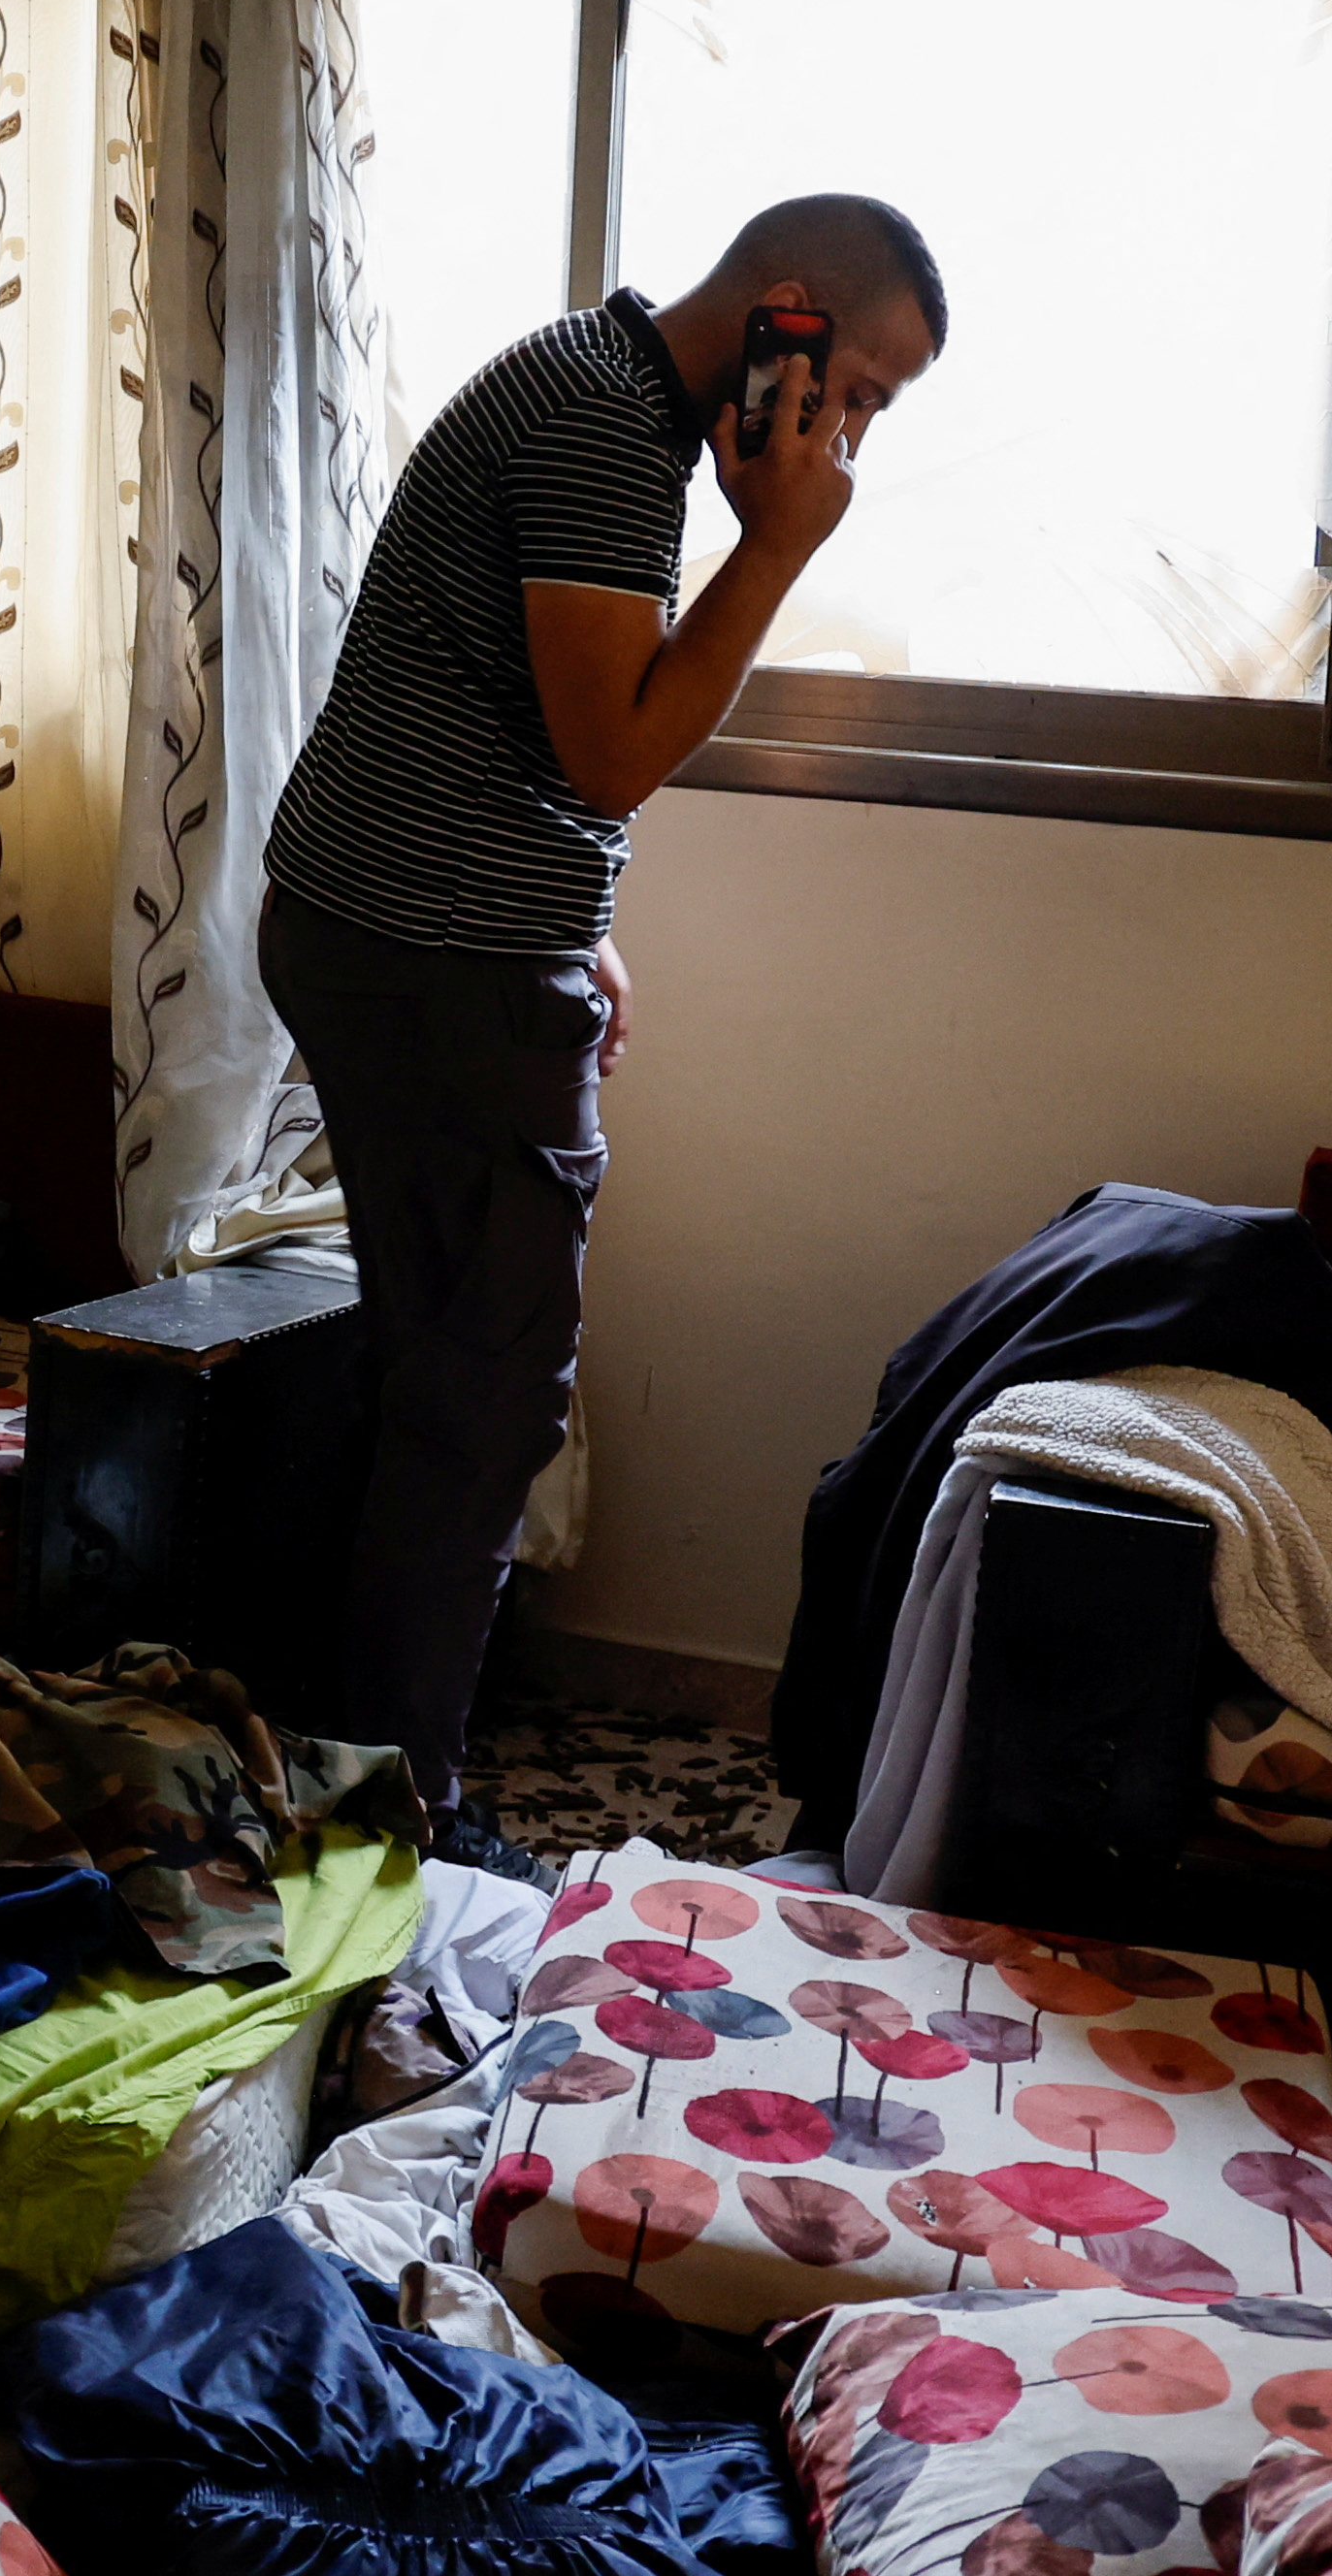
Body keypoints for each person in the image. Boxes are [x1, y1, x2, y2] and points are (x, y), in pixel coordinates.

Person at [252, 191, 949, 1851]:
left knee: (447, 1372)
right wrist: (777, 542)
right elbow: (610, 751)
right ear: (785, 310)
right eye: (857, 385)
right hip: (431, 953)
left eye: (869, 413)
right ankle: (392, 1818)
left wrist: (581, 915)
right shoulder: (596, 423)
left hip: (407, 923)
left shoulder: (604, 392)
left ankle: (353, 1775)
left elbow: (505, 706)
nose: (846, 433)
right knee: (488, 1394)